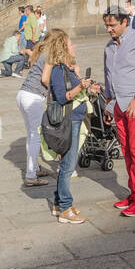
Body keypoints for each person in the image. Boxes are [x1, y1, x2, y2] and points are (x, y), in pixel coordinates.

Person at [100, 8, 135, 217]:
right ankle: (134, 193)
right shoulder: (109, 47)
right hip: (118, 104)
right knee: (127, 151)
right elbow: (108, 76)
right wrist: (108, 104)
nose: (109, 29)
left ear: (124, 22)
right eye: (107, 25)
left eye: (112, 25)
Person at [45, 31, 98, 225]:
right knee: (68, 165)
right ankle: (66, 209)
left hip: (75, 119)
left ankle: (59, 203)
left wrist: (89, 87)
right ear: (63, 49)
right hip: (69, 122)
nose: (74, 46)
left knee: (68, 163)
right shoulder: (58, 70)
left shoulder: (67, 69)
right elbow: (62, 97)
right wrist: (80, 86)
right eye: (71, 44)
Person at [15, 36, 54, 188]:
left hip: (23, 94)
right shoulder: (50, 55)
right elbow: (45, 79)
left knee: (31, 135)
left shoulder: (41, 53)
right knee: (35, 135)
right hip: (33, 97)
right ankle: (31, 175)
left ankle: (35, 169)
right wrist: (55, 89)